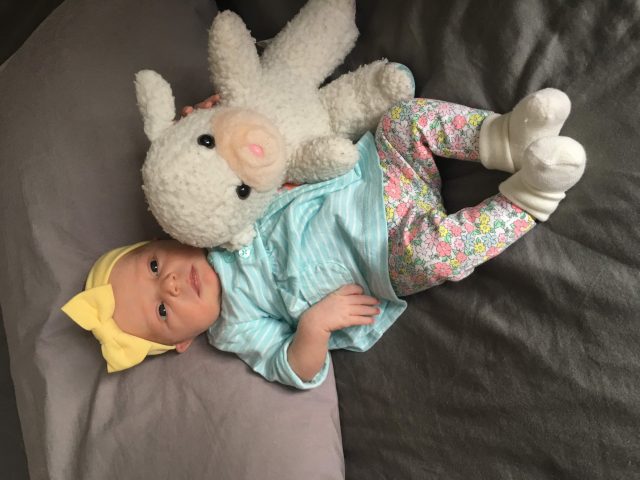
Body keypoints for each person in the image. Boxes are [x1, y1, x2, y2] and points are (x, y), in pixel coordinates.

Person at [62, 90, 586, 388]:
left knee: (402, 118)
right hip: (386, 252)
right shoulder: (235, 326)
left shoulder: (212, 213)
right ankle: (528, 198)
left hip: (374, 173)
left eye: (154, 267)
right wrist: (313, 327)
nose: (173, 286)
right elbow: (295, 369)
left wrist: (203, 127)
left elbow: (232, 149)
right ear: (182, 343)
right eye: (161, 310)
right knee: (436, 254)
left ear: (162, 239)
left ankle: (501, 138)